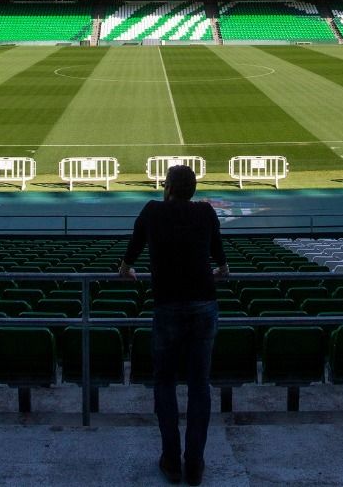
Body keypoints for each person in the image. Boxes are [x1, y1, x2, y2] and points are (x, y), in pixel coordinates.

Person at [118, 164, 228, 486]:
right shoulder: (206, 213)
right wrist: (219, 270)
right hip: (203, 305)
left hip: (166, 306)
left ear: (167, 188)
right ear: (192, 190)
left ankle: (171, 460)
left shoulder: (152, 211)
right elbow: (220, 258)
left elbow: (132, 250)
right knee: (199, 384)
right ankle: (194, 463)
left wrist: (125, 268)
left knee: (164, 383)